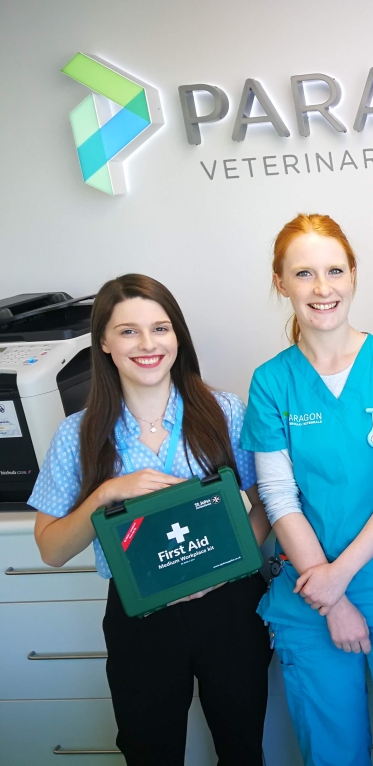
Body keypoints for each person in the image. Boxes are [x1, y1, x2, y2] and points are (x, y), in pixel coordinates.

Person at [30, 274, 273, 765]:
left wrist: (228, 567)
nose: (147, 344)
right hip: (142, 619)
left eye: (160, 328)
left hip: (228, 608)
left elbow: (267, 502)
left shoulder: (222, 410)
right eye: (128, 331)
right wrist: (106, 493)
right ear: (102, 342)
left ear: (177, 336)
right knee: (149, 751)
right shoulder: (78, 435)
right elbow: (51, 549)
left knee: (242, 746)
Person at [241, 213, 373, 766]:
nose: (322, 288)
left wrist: (340, 578)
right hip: (308, 593)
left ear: (354, 275)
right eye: (304, 273)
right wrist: (329, 596)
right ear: (281, 283)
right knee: (332, 751)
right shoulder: (271, 381)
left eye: (334, 270)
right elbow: (279, 496)